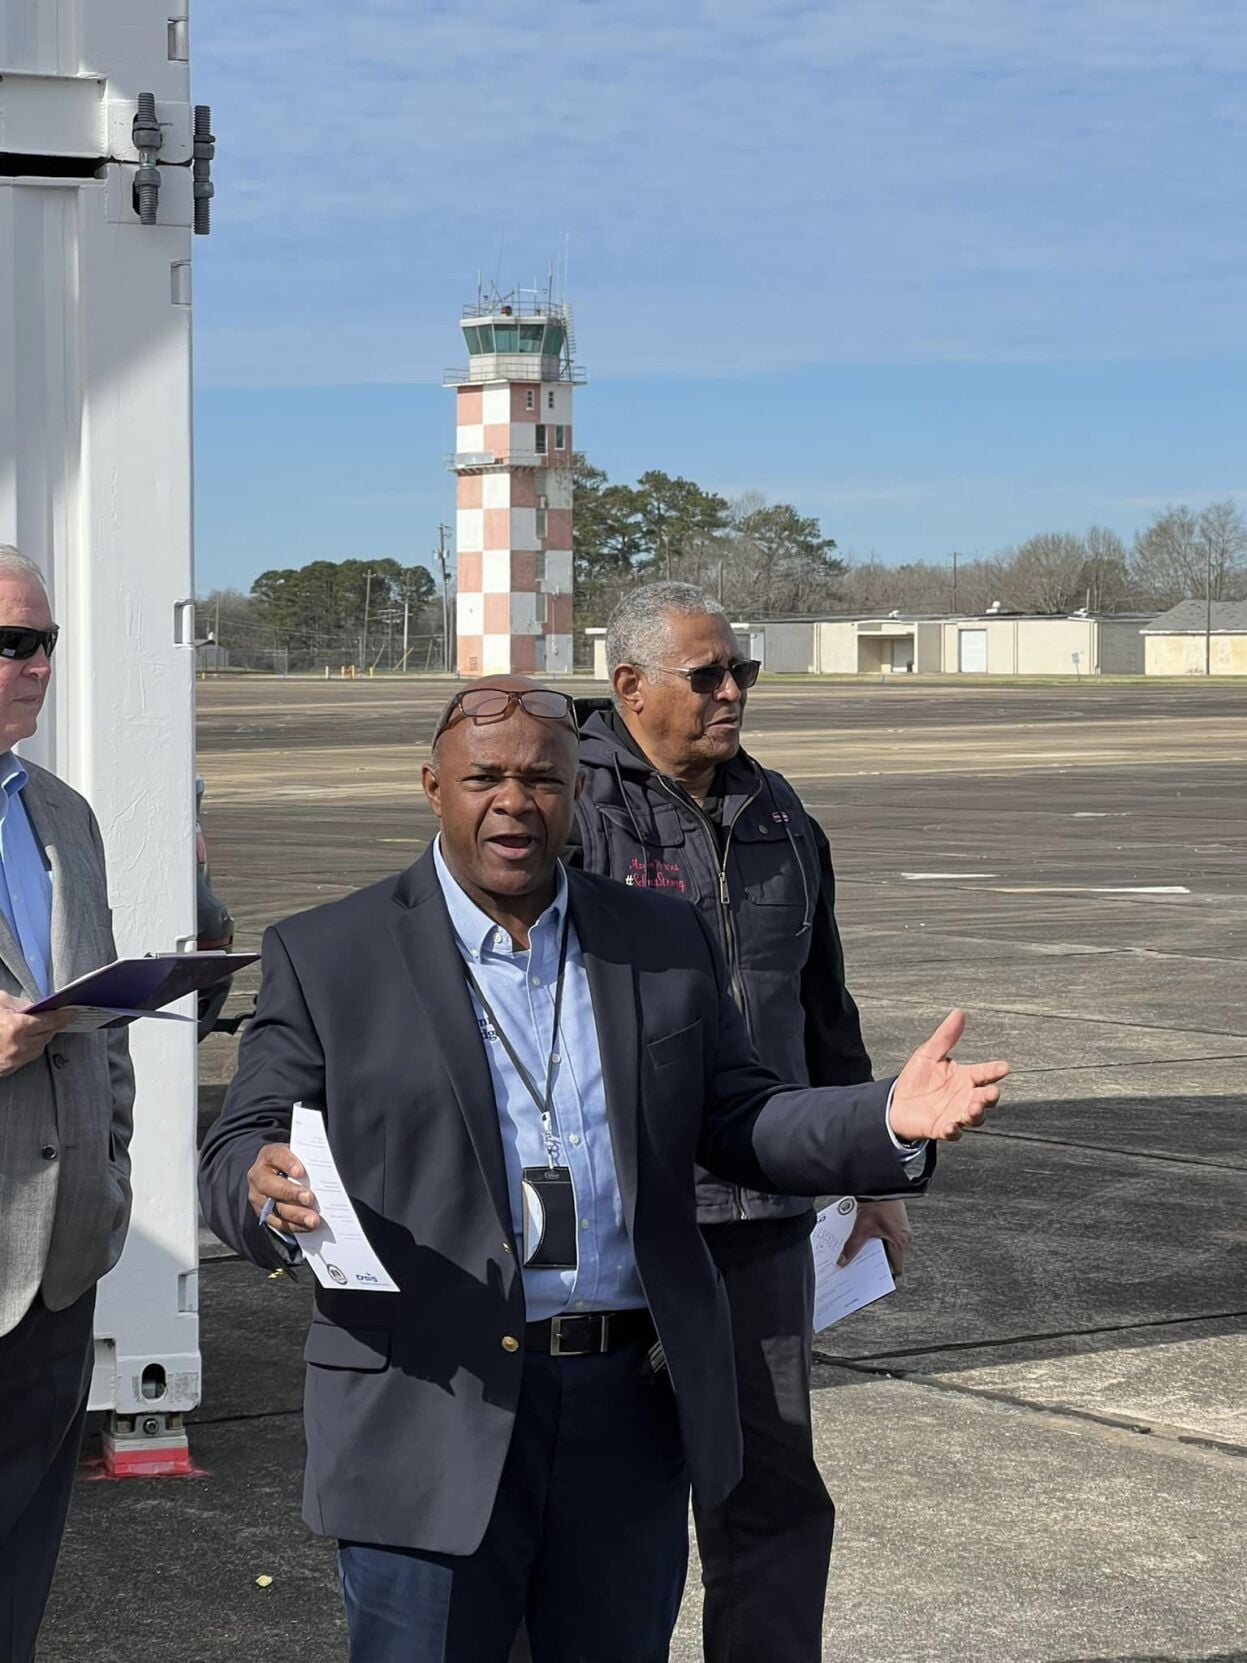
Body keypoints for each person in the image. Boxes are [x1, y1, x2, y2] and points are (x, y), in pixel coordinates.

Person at [198, 675, 1008, 1663]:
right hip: (432, 1401)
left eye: (542, 779)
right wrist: (259, 1185)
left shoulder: (655, 938)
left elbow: (740, 1115)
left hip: (623, 1411)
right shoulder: (330, 952)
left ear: (575, 790)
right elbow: (239, 1140)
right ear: (432, 787)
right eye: (483, 778)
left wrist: (881, 1117)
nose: (514, 801)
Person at [564, 580, 900, 1660]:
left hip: (762, 1218)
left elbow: (822, 1003)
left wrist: (871, 1172)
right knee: (606, 1502)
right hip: (622, 1219)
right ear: (629, 685)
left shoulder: (776, 810)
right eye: (705, 674)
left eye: (740, 670)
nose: (732, 692)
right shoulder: (567, 805)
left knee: (771, 1493)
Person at [0, 545, 136, 1662]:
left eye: (43, 641)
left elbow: (105, 1022)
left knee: (20, 1576)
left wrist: (111, 1174)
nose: (38, 664)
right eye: (11, 644)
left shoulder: (61, 813)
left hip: (58, 1269)